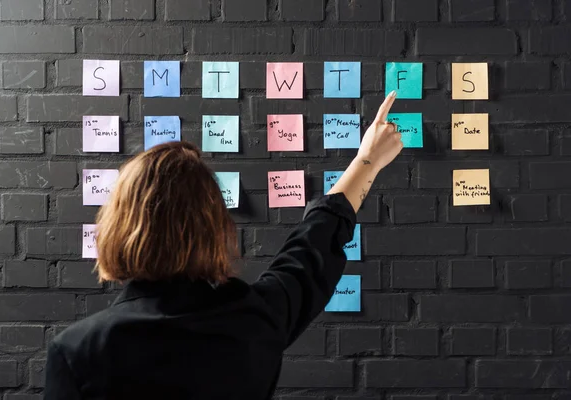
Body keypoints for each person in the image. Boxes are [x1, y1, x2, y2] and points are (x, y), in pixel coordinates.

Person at [44, 92, 403, 399]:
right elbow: (313, 247)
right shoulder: (253, 321)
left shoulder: (76, 351)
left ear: (117, 224)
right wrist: (366, 159)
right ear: (215, 226)